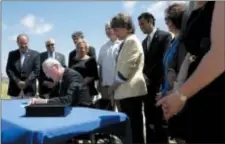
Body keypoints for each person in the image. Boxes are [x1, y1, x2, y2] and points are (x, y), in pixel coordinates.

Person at [157, 1, 225, 143]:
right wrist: (178, 90)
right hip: (199, 94)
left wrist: (181, 95)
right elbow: (191, 57)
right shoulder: (196, 9)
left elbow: (220, 56)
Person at [110, 13, 147, 143]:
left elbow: (126, 69)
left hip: (130, 92)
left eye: (117, 29)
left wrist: (113, 86)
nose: (114, 32)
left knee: (133, 129)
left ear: (127, 27)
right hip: (126, 92)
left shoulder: (131, 41)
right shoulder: (126, 42)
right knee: (131, 129)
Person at [138, 12, 172, 143]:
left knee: (160, 121)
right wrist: (143, 75)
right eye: (139, 24)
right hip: (147, 88)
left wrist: (153, 79)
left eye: (142, 23)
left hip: (160, 86)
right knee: (149, 119)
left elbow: (165, 60)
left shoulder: (165, 36)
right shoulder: (144, 42)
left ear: (151, 21)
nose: (140, 27)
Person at [158, 3, 186, 143]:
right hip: (169, 93)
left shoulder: (184, 41)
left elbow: (182, 71)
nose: (166, 23)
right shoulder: (173, 41)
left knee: (182, 135)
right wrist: (163, 91)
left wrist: (173, 91)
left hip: (179, 95)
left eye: (168, 20)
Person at [6, 34, 40, 98]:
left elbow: (36, 71)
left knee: (29, 108)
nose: (23, 45)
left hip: (29, 90)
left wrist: (26, 83)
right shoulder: (12, 54)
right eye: (21, 43)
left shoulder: (36, 54)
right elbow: (9, 69)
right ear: (17, 43)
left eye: (25, 43)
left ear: (28, 42)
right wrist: (17, 81)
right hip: (15, 90)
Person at [97, 22, 121, 110]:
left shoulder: (122, 44)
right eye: (106, 29)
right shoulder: (103, 47)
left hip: (119, 85)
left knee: (121, 109)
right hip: (106, 86)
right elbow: (100, 66)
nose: (108, 30)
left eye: (110, 28)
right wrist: (99, 83)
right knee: (108, 111)